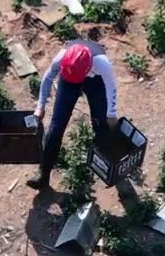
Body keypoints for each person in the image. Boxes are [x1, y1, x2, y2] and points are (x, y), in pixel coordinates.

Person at [27, 38, 119, 189]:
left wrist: (111, 113)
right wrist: (40, 106)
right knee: (56, 128)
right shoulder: (63, 56)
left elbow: (111, 87)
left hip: (94, 81)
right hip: (68, 80)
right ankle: (43, 175)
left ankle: (107, 165)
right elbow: (48, 77)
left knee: (101, 124)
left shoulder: (101, 63)